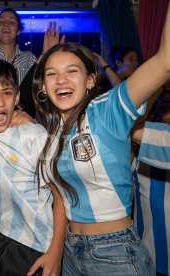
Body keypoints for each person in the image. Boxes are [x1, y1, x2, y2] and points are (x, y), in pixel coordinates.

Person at [31, 4, 170, 272]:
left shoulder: (107, 110)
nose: (61, 80)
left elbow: (165, 62)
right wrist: (57, 249)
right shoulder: (50, 128)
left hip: (115, 251)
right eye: (51, 74)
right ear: (44, 87)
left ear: (90, 80)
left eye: (72, 70)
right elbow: (60, 195)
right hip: (71, 250)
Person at [0, 59, 67, 276]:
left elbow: (60, 194)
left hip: (36, 243)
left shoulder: (34, 136)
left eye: (7, 93)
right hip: (1, 237)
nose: (0, 102)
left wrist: (56, 251)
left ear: (17, 97)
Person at [132, 97, 170, 276]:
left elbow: (126, 126)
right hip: (149, 258)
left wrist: (156, 85)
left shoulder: (162, 138)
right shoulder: (144, 147)